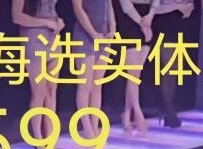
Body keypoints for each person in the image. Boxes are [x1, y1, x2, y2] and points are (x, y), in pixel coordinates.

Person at [12, 0, 64, 149]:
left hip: (53, 36)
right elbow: (17, 16)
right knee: (39, 91)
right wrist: (45, 22)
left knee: (52, 90)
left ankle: (51, 136)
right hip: (33, 36)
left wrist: (57, 21)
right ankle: (38, 138)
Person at [115, 0, 160, 137]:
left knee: (136, 75)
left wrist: (150, 16)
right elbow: (125, 5)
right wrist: (142, 23)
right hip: (130, 19)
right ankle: (137, 112)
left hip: (147, 18)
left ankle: (127, 113)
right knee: (132, 74)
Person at [72, 0, 116, 139]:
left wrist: (113, 27)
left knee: (97, 85)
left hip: (104, 36)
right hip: (85, 35)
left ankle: (95, 126)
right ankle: (87, 128)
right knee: (85, 84)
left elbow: (108, 6)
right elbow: (78, 8)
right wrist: (93, 33)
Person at [153, 0, 194, 128]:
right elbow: (155, 8)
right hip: (164, 26)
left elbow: (190, 5)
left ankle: (168, 109)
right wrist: (177, 7)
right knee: (169, 69)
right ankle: (168, 109)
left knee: (174, 71)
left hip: (179, 26)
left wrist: (185, 8)